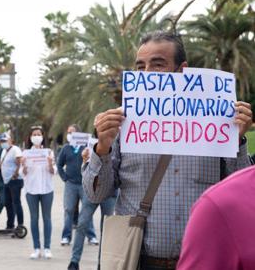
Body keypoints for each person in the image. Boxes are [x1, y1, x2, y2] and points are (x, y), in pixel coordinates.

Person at [83, 31, 252, 270]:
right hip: (139, 262)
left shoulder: (216, 122)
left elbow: (244, 194)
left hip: (203, 262)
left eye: (158, 64)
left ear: (182, 70)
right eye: (140, 66)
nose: (147, 73)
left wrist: (237, 138)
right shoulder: (121, 124)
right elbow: (96, 195)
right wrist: (102, 147)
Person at [177, 165, 255, 270]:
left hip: (212, 248)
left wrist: (239, 149)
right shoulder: (218, 204)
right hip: (152, 257)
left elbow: (241, 171)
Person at [68, 147, 117, 270]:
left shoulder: (119, 146)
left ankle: (102, 264)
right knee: (82, 224)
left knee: (105, 230)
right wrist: (84, 161)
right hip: (92, 192)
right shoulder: (93, 146)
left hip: (110, 193)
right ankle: (74, 262)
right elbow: (86, 172)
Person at [58, 124, 98, 246]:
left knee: (86, 210)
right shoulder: (66, 148)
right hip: (70, 184)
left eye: (72, 132)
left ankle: (91, 236)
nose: (69, 135)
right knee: (68, 209)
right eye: (68, 132)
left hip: (84, 184)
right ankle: (66, 236)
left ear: (79, 134)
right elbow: (59, 165)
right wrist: (65, 178)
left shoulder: (87, 147)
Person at [21, 126, 55, 259]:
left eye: (38, 134)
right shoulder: (26, 154)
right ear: (30, 138)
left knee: (47, 218)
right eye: (34, 135)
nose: (36, 137)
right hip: (31, 190)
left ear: (42, 137)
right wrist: (23, 165)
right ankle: (36, 248)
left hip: (47, 189)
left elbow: (53, 172)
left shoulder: (48, 152)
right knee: (34, 219)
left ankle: (47, 248)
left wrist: (50, 164)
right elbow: (22, 173)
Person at [0, 133, 24, 230]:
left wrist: (16, 173)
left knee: (16, 203)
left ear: (10, 140)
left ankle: (20, 226)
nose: (3, 143)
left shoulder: (15, 149)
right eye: (1, 141)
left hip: (14, 181)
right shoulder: (4, 151)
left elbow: (20, 161)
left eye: (5, 141)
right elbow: (1, 164)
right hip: (7, 181)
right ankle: (10, 225)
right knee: (8, 203)